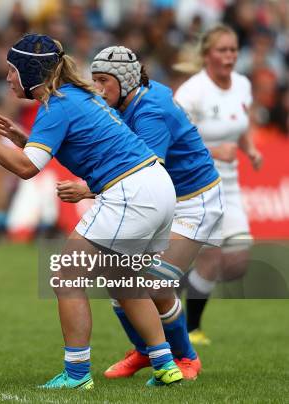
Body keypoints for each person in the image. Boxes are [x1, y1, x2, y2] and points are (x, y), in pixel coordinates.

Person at [0, 33, 182, 389]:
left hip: (131, 191)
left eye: (12, 70)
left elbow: (27, 169)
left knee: (65, 276)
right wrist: (21, 140)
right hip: (157, 185)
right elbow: (58, 148)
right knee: (124, 280)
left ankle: (76, 373)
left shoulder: (56, 105)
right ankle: (166, 363)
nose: (8, 77)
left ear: (29, 70)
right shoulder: (74, 96)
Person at [56, 45, 224, 380]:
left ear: (126, 81)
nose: (99, 89)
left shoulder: (150, 111)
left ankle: (185, 358)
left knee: (150, 283)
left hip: (194, 202)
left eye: (105, 80)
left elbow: (147, 172)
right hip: (165, 200)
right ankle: (147, 352)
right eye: (95, 80)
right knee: (121, 281)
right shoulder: (133, 98)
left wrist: (87, 190)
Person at [174, 24, 262, 345]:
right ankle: (190, 327)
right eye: (222, 50)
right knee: (209, 258)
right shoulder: (190, 92)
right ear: (207, 55)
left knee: (237, 262)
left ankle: (172, 283)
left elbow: (241, 121)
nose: (230, 56)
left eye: (233, 49)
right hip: (193, 183)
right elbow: (174, 141)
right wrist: (212, 150)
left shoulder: (242, 84)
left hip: (231, 184)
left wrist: (249, 148)